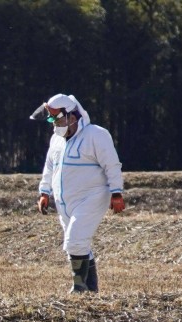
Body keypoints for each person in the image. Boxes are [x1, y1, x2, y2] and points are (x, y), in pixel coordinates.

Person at [30, 93, 124, 293]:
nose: (53, 123)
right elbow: (49, 166)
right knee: (77, 244)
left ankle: (79, 287)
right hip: (65, 200)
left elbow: (112, 165)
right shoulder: (56, 139)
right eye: (50, 118)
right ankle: (91, 289)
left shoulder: (96, 135)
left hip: (92, 196)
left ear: (72, 116)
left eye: (56, 118)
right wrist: (44, 192)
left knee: (75, 241)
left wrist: (116, 192)